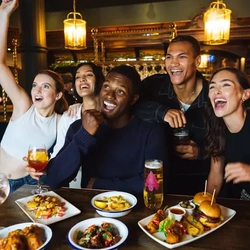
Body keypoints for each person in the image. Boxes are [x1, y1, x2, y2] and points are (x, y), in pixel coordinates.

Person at [45, 65, 167, 195]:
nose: (109, 96)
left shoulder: (151, 131)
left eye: (120, 91)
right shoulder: (79, 128)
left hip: (137, 210)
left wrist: (99, 184)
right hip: (92, 210)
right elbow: (54, 180)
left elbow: (154, 183)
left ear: (133, 99)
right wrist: (84, 135)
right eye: (106, 87)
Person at [0, 0, 68, 193]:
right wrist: (4, 15)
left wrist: (46, 170)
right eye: (34, 85)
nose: (37, 90)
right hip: (1, 183)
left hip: (29, 185)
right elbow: (0, 65)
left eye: (45, 86)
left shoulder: (60, 122)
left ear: (58, 95)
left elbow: (60, 157)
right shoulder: (24, 105)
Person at [134, 35, 210, 195]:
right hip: (157, 179)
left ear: (197, 61)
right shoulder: (152, 85)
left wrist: (202, 151)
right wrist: (162, 112)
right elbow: (130, 105)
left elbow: (230, 139)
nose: (173, 63)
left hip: (200, 182)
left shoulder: (212, 95)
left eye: (182, 57)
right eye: (169, 57)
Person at [205, 67, 250, 200]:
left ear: (245, 94)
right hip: (240, 204)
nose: (217, 91)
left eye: (226, 85)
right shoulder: (217, 127)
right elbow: (216, 174)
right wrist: (205, 205)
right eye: (212, 87)